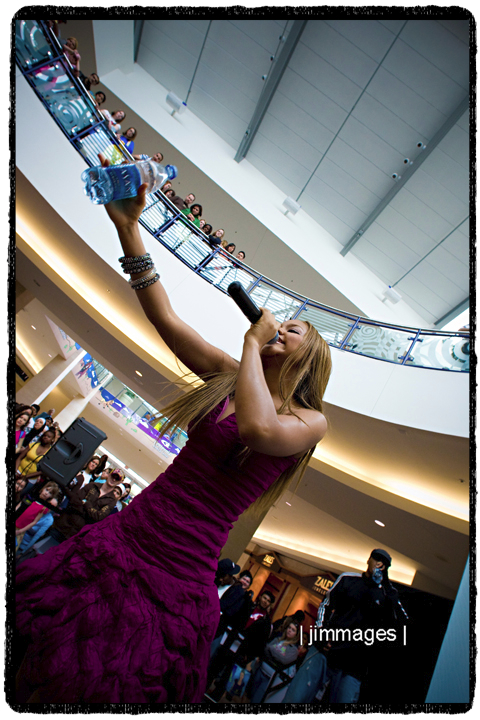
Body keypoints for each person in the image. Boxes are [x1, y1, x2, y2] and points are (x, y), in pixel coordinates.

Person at [15, 156, 332, 704]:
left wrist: (252, 343)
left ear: (312, 359)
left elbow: (258, 430)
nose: (279, 327)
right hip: (128, 533)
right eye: (280, 323)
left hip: (179, 569)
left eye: (293, 330)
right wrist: (128, 227)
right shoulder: (232, 376)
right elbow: (164, 316)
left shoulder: (310, 420)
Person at [282, 549, 406, 704]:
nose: (379, 565)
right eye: (376, 559)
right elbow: (326, 605)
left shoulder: (387, 594)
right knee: (296, 697)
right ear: (368, 560)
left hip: (353, 664)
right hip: (326, 649)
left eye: (384, 564)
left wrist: (386, 585)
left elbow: (401, 621)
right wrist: (321, 632)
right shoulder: (348, 579)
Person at [248, 620, 301, 702]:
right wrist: (275, 654)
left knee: (256, 700)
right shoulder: (278, 639)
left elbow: (284, 660)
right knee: (250, 695)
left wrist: (272, 650)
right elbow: (266, 649)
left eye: (293, 630)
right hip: (261, 670)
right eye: (289, 628)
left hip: (270, 679)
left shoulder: (293, 650)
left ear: (296, 635)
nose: (289, 630)